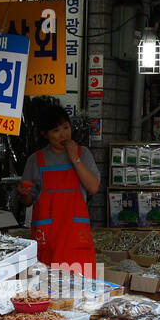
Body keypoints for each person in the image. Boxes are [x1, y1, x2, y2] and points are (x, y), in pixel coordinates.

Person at [19, 105, 99, 275]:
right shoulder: (36, 160)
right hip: (48, 239)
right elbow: (28, 201)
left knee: (80, 289)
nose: (64, 134)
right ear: (44, 134)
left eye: (66, 127)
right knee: (46, 290)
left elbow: (93, 187)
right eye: (56, 130)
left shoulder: (83, 154)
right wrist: (23, 194)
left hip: (75, 238)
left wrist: (74, 158)